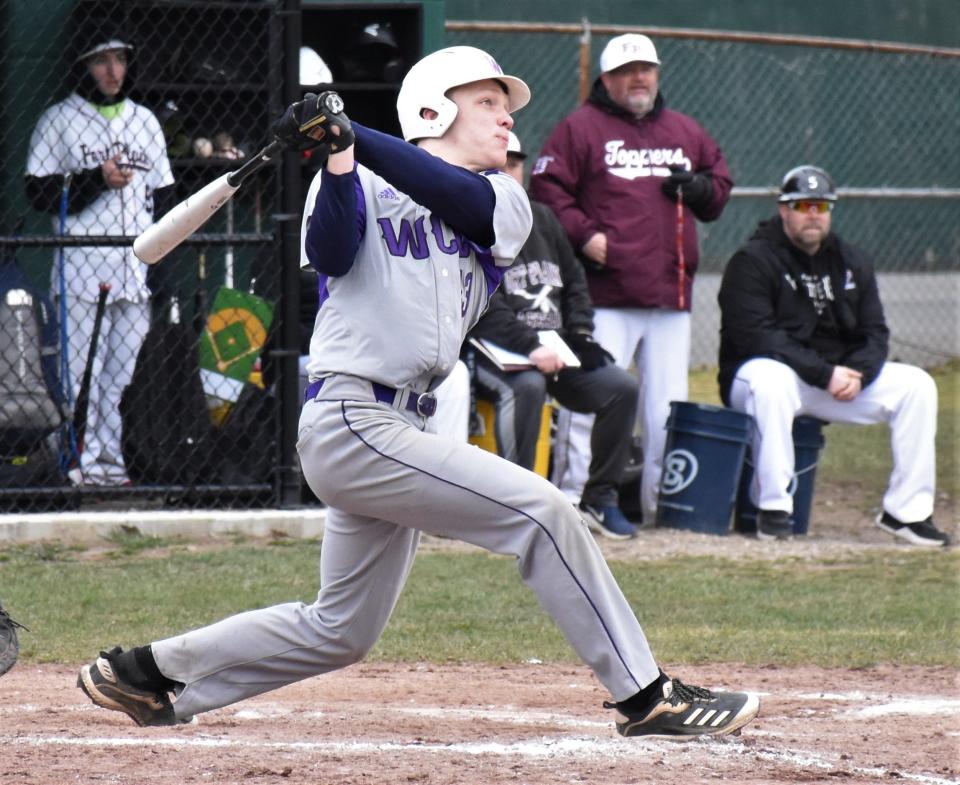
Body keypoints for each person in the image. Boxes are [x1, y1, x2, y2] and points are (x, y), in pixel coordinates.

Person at [76, 46, 759, 740]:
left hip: (403, 426)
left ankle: (151, 674)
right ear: (434, 109)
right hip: (353, 417)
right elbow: (334, 254)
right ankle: (646, 695)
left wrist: (353, 134)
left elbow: (453, 196)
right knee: (545, 512)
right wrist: (341, 160)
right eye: (488, 104)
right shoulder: (356, 183)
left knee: (341, 629)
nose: (506, 121)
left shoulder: (505, 201)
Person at [530, 34, 732, 525]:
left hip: (668, 293)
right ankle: (577, 499)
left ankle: (661, 505)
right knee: (593, 397)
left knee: (667, 408)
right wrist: (585, 235)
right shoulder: (581, 129)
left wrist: (701, 186)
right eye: (627, 71)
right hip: (607, 293)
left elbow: (719, 187)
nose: (639, 79)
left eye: (647, 70)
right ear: (606, 79)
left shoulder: (684, 130)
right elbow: (546, 187)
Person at [718, 165, 949, 547]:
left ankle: (906, 513)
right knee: (770, 380)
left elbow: (875, 332)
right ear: (784, 210)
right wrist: (825, 373)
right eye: (804, 205)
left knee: (917, 386)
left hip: (834, 380)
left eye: (822, 207)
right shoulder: (753, 260)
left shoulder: (851, 260)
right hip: (763, 378)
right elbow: (757, 337)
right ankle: (774, 509)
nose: (813, 214)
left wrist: (857, 372)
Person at [469, 131, 639, 539]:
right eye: (499, 162)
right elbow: (481, 308)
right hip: (490, 350)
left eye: (514, 162)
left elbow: (576, 280)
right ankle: (516, 507)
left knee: (622, 388)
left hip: (554, 345)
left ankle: (600, 499)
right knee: (526, 387)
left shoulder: (542, 217)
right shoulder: (472, 219)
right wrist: (532, 346)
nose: (508, 170)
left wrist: (579, 332)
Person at [24, 29, 175, 485]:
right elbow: (37, 192)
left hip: (135, 271)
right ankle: (72, 462)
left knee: (124, 376)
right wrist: (95, 179)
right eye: (101, 61)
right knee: (76, 377)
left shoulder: (145, 121)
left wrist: (161, 266)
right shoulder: (59, 120)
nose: (112, 71)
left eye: (119, 60)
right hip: (81, 268)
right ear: (84, 67)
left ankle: (111, 465)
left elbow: (166, 196)